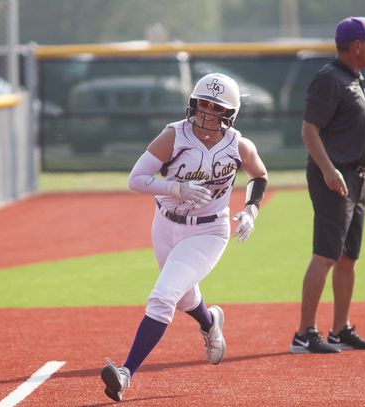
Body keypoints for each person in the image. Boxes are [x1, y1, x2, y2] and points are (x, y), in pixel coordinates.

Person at [100, 72, 268, 401]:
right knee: (182, 297)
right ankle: (209, 322)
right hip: (165, 224)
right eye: (202, 103)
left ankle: (125, 374)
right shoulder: (174, 136)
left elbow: (259, 175)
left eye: (216, 106)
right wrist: (175, 187)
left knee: (163, 296)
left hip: (208, 229)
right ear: (192, 103)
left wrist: (251, 210)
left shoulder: (238, 144)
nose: (206, 111)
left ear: (229, 113)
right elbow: (136, 179)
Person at [289, 16, 365, 354]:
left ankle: (340, 329)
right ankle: (304, 334)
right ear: (356, 46)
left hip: (355, 176)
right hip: (334, 178)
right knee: (325, 256)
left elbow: (345, 130)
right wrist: (330, 170)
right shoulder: (329, 79)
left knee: (348, 258)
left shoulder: (353, 78)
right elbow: (309, 131)